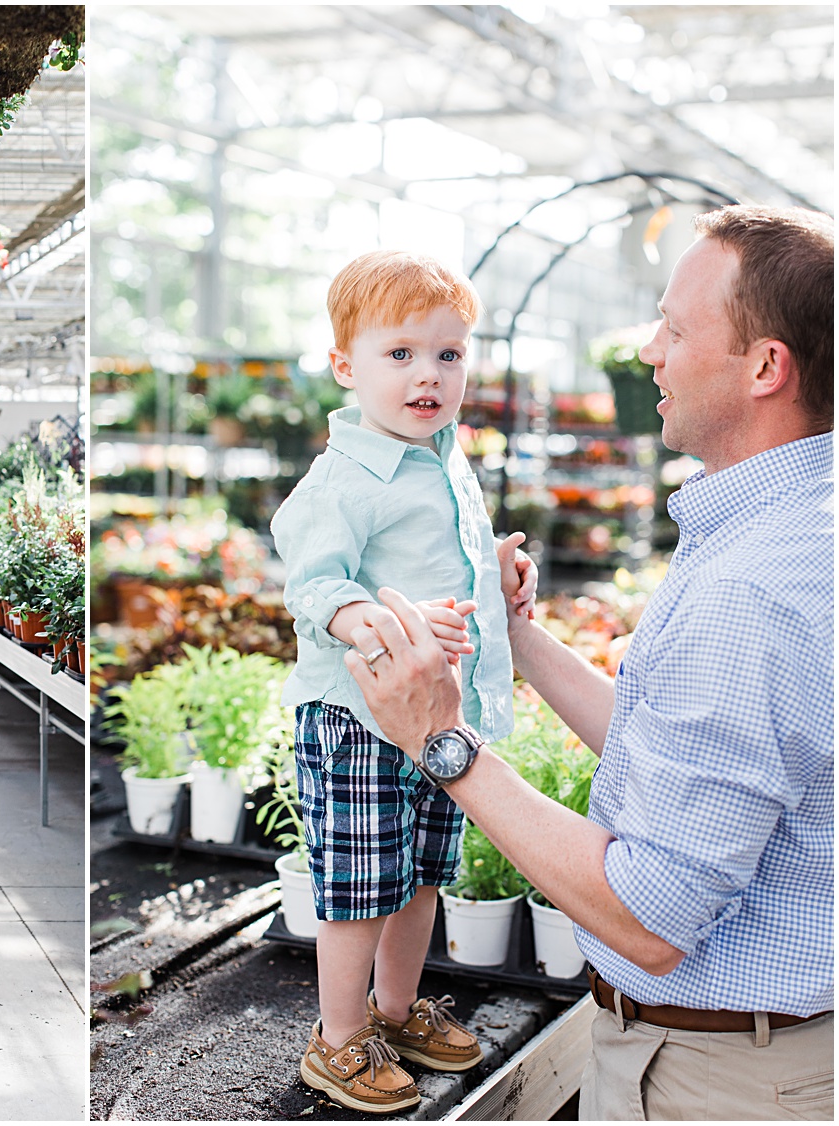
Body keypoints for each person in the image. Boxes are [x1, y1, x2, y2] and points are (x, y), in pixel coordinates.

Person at [341, 205, 833, 1121]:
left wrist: (441, 740)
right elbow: (683, 758)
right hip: (734, 1055)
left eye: (677, 328)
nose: (648, 350)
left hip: (717, 1081)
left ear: (766, 367)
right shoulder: (787, 530)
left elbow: (651, 920)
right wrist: (518, 636)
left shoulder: (755, 589)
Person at [269, 249, 536, 1114]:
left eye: (448, 355)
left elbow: (441, 556)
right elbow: (311, 578)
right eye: (401, 354)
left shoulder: (443, 459)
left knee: (421, 872)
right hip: (356, 715)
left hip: (429, 716)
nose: (428, 375)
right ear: (346, 366)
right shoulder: (343, 477)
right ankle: (338, 1039)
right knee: (357, 883)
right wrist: (357, 615)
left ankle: (394, 1011)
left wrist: (489, 572)